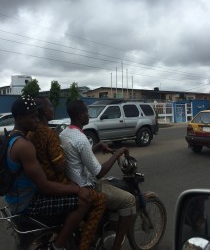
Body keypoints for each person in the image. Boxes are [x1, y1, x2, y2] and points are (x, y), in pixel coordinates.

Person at [4, 95, 101, 250]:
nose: (37, 120)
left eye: (38, 115)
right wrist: (78, 189)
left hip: (15, 199)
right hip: (28, 203)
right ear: (20, 119)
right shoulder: (24, 145)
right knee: (85, 200)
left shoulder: (13, 137)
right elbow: (45, 185)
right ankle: (57, 246)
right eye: (33, 117)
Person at [59, 99, 137, 250]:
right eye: (86, 112)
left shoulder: (65, 133)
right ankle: (116, 247)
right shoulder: (81, 138)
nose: (88, 115)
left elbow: (77, 157)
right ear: (81, 115)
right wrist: (118, 153)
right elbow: (99, 172)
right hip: (87, 186)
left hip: (72, 182)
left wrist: (97, 146)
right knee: (129, 200)